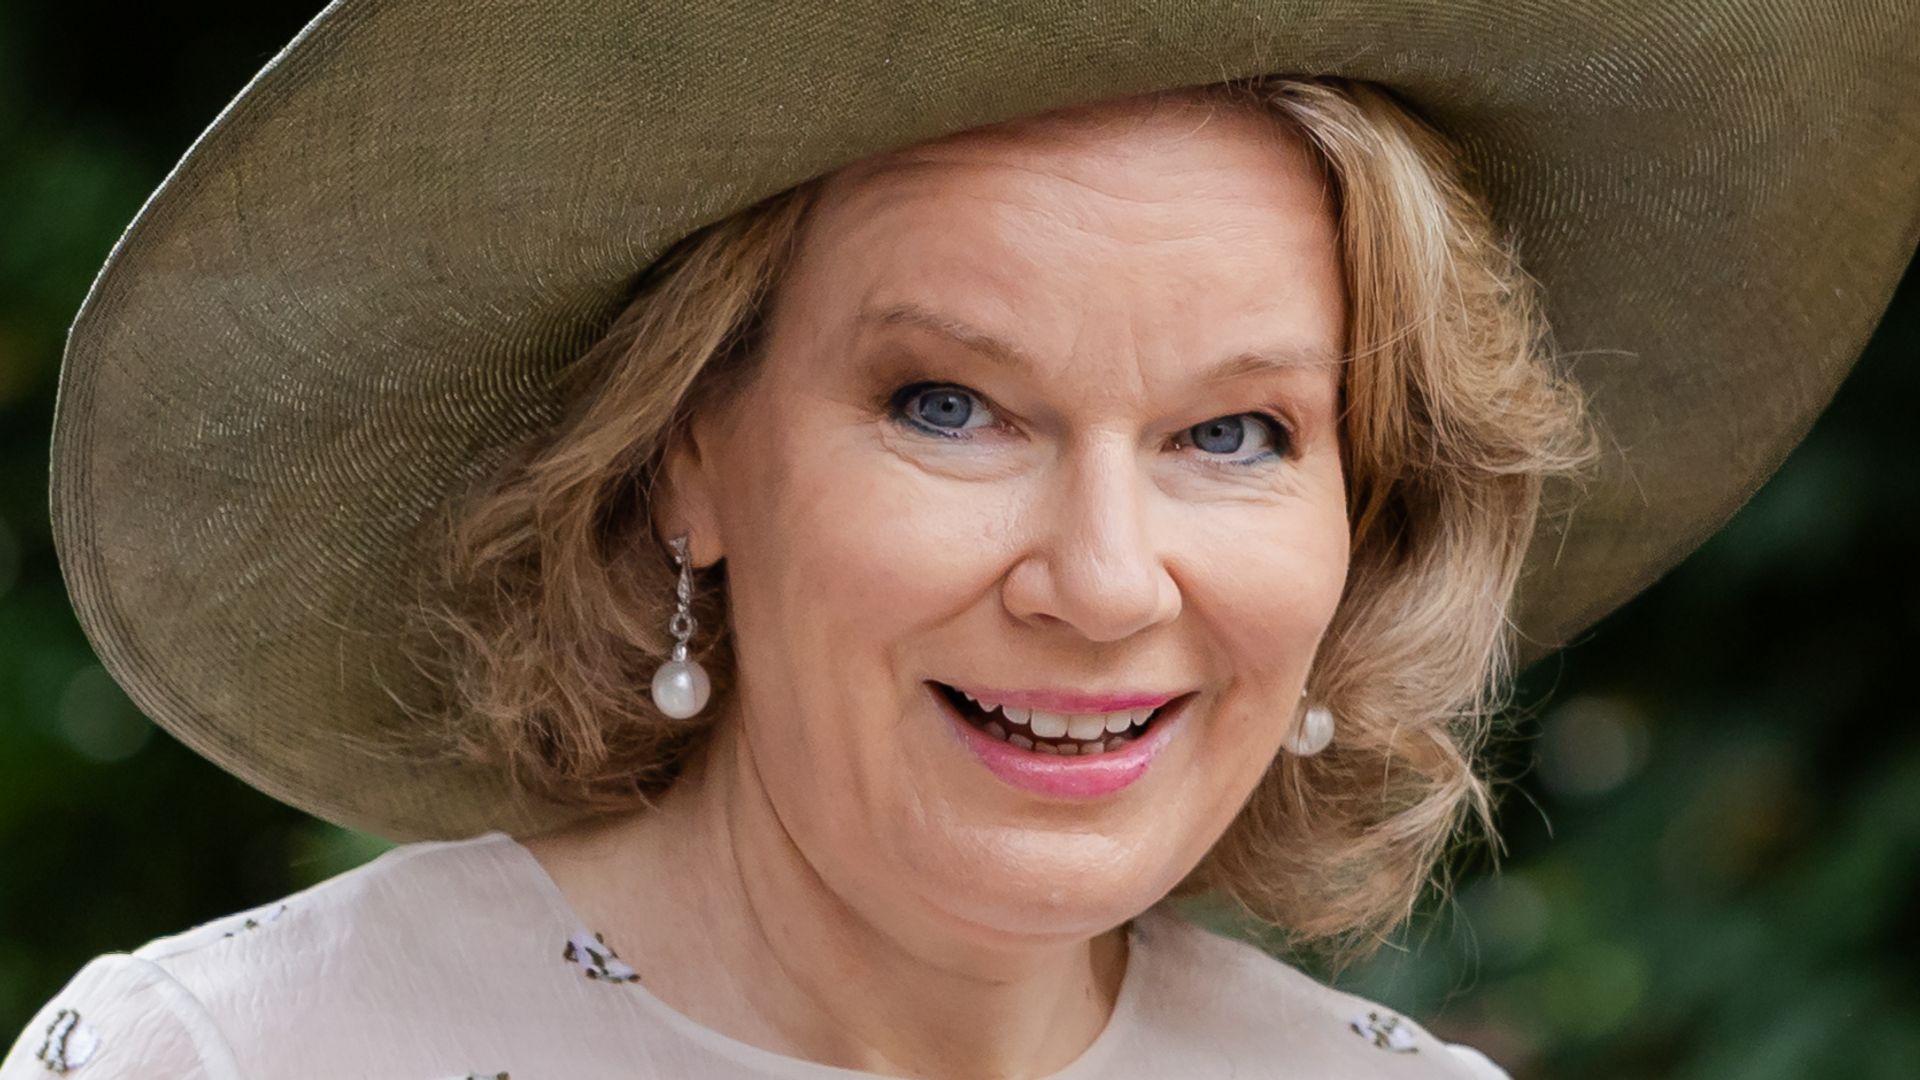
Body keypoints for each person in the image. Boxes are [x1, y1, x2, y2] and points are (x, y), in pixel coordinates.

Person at [4, 2, 1913, 1077]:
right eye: (947, 406)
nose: (1101, 576)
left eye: (1235, 433)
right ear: (687, 458)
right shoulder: (228, 1065)